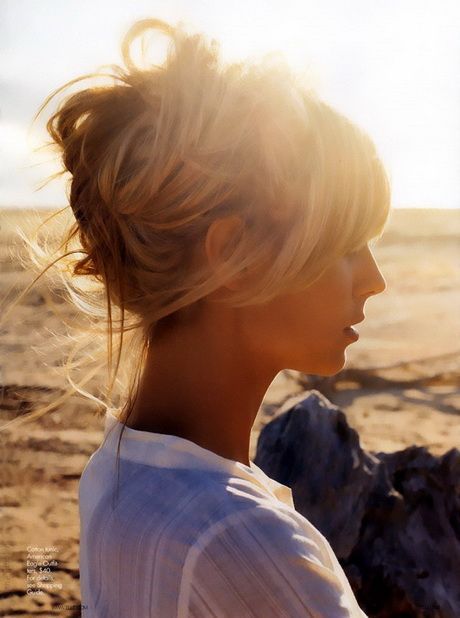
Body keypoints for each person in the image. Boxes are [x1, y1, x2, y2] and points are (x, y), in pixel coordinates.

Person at [20, 16, 390, 617]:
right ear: (233, 260)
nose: (375, 281)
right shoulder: (239, 542)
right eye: (346, 245)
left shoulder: (118, 472)